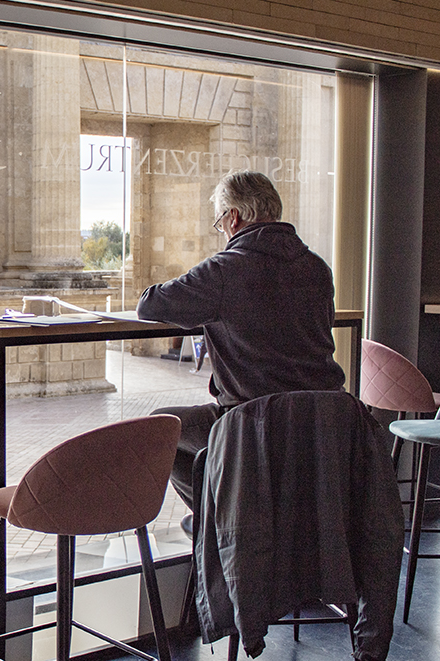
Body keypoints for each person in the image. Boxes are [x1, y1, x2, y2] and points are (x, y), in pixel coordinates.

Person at [136, 170, 345, 536]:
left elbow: (150, 304)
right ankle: (230, 522)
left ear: (233, 217)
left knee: (159, 428)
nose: (223, 231)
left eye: (220, 222)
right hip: (321, 422)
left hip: (252, 424)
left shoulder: (225, 270)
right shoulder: (317, 268)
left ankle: (219, 523)